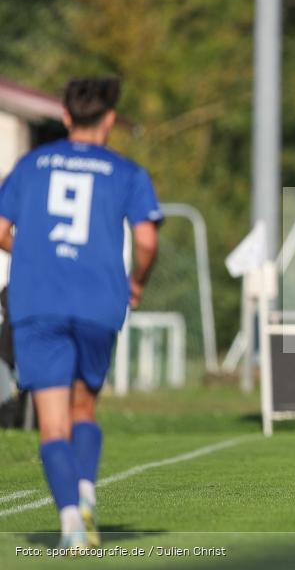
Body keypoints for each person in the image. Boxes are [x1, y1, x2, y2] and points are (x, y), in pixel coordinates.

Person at [0, 77, 162, 550]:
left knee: (51, 423)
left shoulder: (31, 165)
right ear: (110, 118)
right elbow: (148, 241)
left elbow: (1, 228)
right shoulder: (126, 171)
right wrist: (137, 281)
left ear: (67, 117)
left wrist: (27, 249)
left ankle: (71, 521)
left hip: (36, 300)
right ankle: (86, 493)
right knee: (83, 407)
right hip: (97, 300)